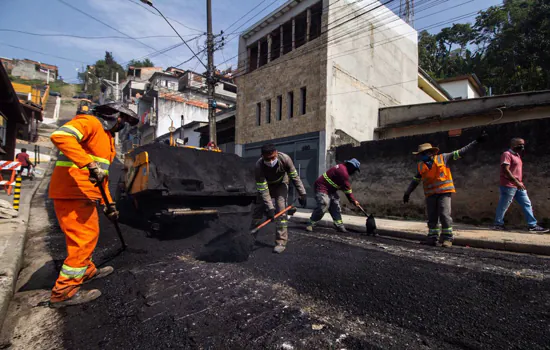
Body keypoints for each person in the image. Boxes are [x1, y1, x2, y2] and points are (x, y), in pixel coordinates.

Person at [48, 102, 138, 307]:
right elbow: (60, 136)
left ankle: (86, 271)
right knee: (82, 239)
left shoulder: (106, 138)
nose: (123, 125)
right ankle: (64, 292)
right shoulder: (89, 122)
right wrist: (87, 163)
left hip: (84, 194)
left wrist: (109, 204)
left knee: (89, 235)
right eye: (123, 119)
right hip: (71, 192)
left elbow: (100, 177)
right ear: (114, 115)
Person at [403, 132, 487, 247]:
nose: (422, 156)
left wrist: (476, 141)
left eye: (424, 153)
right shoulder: (421, 166)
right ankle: (432, 238)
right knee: (432, 217)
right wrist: (407, 193)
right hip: (430, 194)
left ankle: (447, 238)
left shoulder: (443, 158)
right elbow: (415, 181)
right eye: (421, 154)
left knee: (444, 214)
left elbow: (462, 151)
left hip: (444, 192)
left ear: (431, 152)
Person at [252, 143, 307, 254]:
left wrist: (302, 194)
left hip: (281, 184)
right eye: (268, 159)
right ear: (262, 156)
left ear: (276, 153)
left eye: (273, 157)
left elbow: (295, 177)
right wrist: (270, 208)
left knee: (281, 212)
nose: (271, 161)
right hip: (266, 185)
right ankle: (250, 237)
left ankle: (281, 242)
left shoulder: (285, 159)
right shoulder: (259, 166)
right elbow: (263, 189)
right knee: (257, 211)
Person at [492, 138, 548, 233]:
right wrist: (516, 182)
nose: (522, 146)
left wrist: (519, 183)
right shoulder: (507, 154)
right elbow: (506, 170)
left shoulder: (517, 155)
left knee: (527, 203)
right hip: (508, 185)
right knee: (503, 205)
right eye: (520, 144)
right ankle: (498, 224)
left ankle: (532, 225)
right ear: (513, 144)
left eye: (523, 144)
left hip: (518, 185)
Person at [306, 159, 362, 233]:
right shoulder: (343, 172)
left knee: (335, 205)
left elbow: (342, 186)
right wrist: (353, 200)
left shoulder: (342, 168)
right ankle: (310, 224)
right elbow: (347, 189)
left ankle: (339, 225)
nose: (354, 172)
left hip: (330, 189)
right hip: (322, 187)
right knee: (324, 204)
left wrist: (352, 200)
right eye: (354, 169)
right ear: (351, 166)